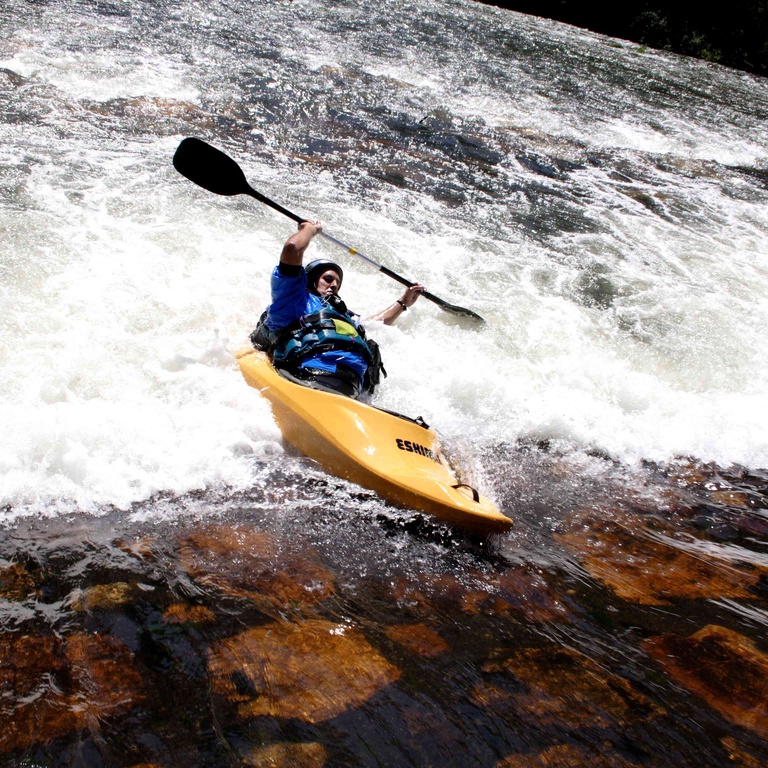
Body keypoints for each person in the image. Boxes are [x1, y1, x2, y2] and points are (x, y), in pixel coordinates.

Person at [251, 220, 423, 399]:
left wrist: (403, 303)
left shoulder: (341, 315)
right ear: (310, 282)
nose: (334, 285)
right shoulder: (294, 300)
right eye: (328, 279)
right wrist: (309, 229)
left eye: (337, 283)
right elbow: (292, 249)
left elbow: (376, 323)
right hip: (307, 377)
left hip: (350, 388)